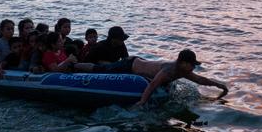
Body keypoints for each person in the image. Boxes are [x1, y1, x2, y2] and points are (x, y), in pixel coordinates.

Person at [73, 49, 228, 106]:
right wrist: (142, 101)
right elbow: (153, 84)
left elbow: (200, 79)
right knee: (101, 69)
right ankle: (75, 65)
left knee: (104, 68)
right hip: (130, 65)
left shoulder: (183, 71)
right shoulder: (168, 70)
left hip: (140, 62)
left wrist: (218, 85)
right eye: (191, 64)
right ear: (182, 62)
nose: (193, 67)